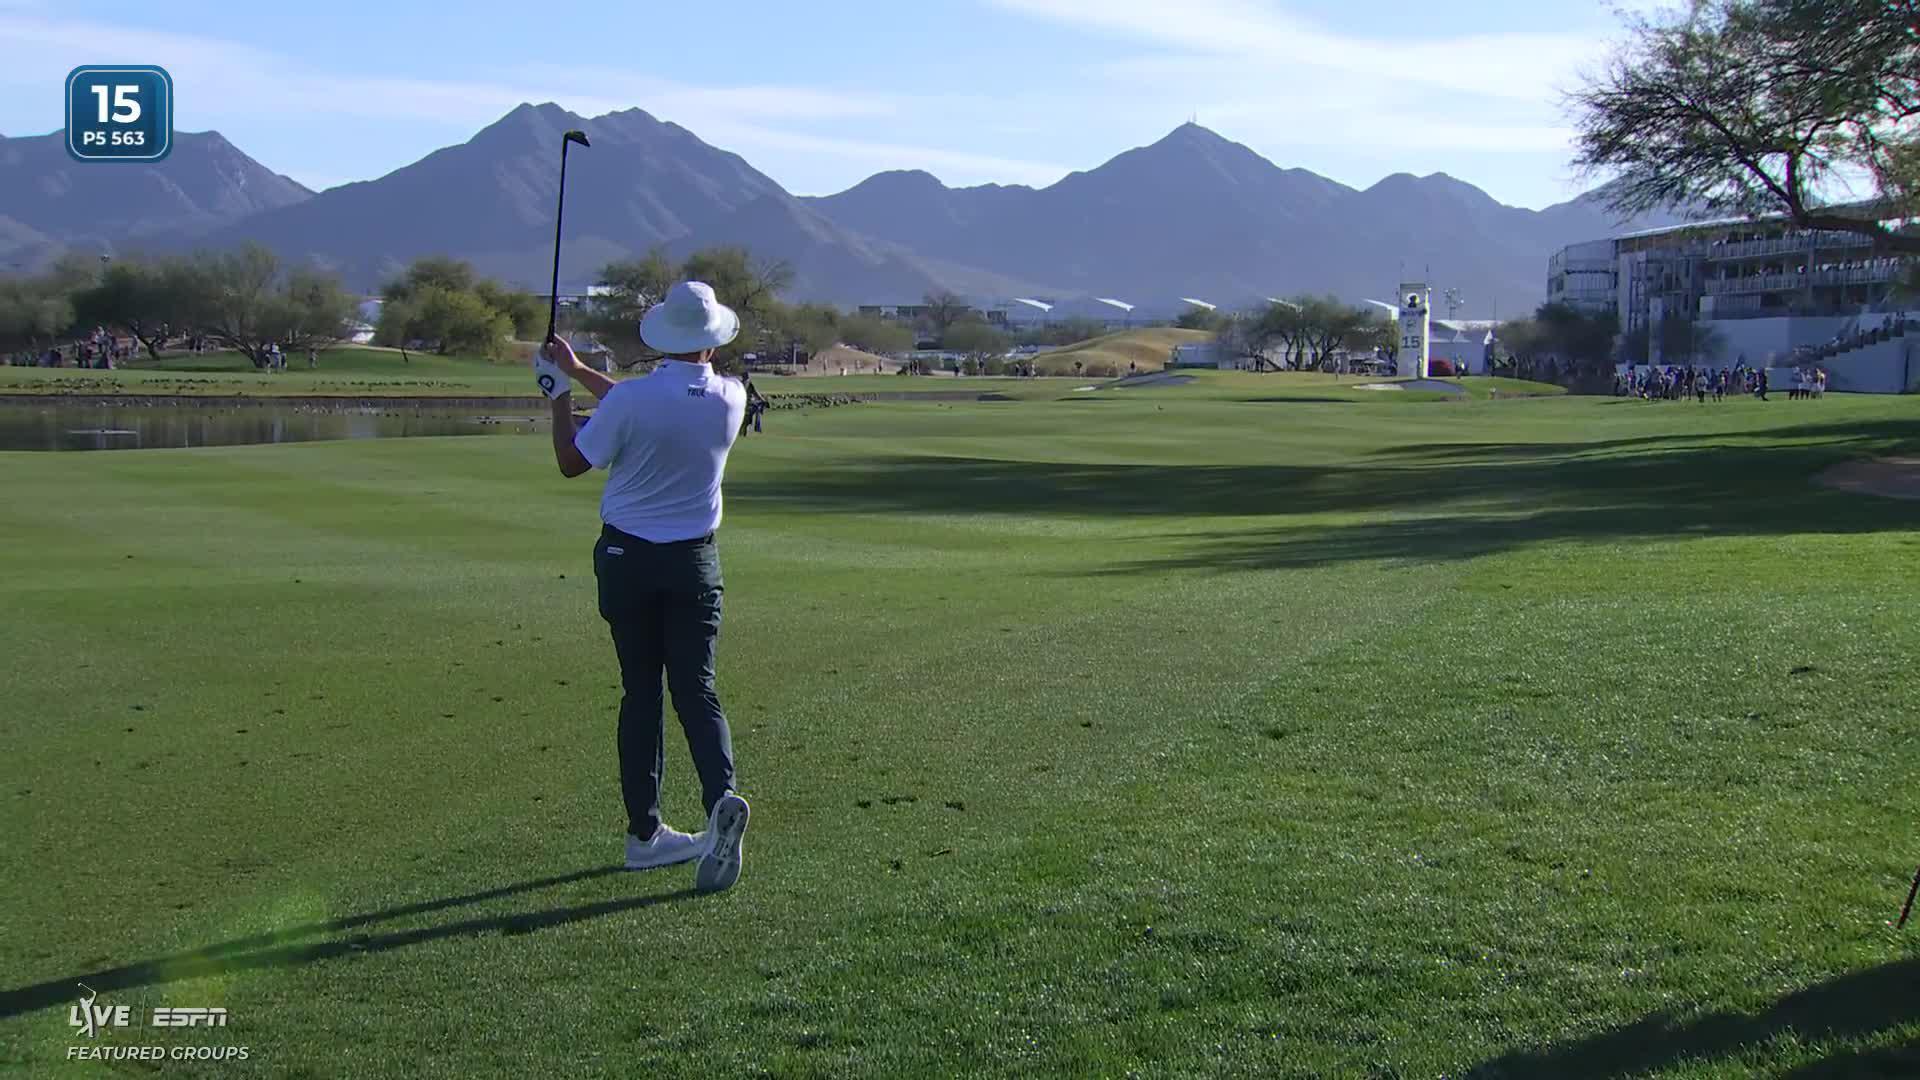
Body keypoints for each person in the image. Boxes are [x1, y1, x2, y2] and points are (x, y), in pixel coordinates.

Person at [534, 280, 751, 892]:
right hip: (694, 565)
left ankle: (644, 835)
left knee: (641, 694)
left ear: (662, 336)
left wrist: (557, 393)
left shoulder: (631, 402)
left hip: (628, 561)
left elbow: (574, 460)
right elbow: (647, 405)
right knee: (697, 690)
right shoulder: (730, 398)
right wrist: (577, 371)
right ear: (711, 342)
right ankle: (721, 800)